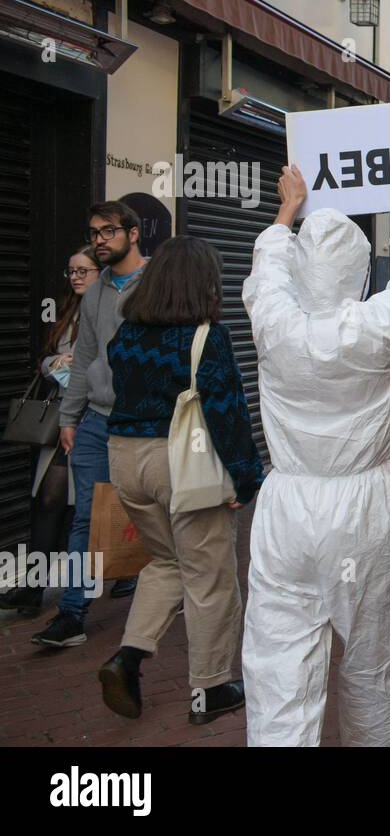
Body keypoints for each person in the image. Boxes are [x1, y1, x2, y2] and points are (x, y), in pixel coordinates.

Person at [239, 148, 390, 747]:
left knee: (278, 661)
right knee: (374, 658)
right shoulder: (377, 326)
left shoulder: (274, 324)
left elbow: (265, 272)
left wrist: (286, 210)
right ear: (360, 275)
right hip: (364, 507)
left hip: (286, 505)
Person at [96, 236, 263, 724]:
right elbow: (227, 412)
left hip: (125, 460)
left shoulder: (126, 334)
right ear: (203, 282)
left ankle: (126, 657)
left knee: (167, 562)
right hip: (180, 464)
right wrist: (245, 478)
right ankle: (209, 691)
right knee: (209, 578)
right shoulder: (207, 337)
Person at [36, 202, 147, 649]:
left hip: (145, 424)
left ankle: (161, 586)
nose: (99, 239)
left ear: (133, 234)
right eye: (94, 232)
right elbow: (82, 360)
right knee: (86, 516)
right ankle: (72, 613)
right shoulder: (97, 293)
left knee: (154, 513)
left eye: (108, 231)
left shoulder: (155, 282)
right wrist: (69, 417)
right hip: (96, 422)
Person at [1, 247, 97, 616]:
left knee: (76, 507)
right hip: (60, 416)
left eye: (83, 271)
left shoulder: (110, 310)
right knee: (51, 501)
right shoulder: (66, 312)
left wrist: (85, 365)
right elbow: (43, 359)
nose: (75, 277)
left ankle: (67, 593)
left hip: (91, 418)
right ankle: (35, 587)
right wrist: (54, 362)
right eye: (71, 271)